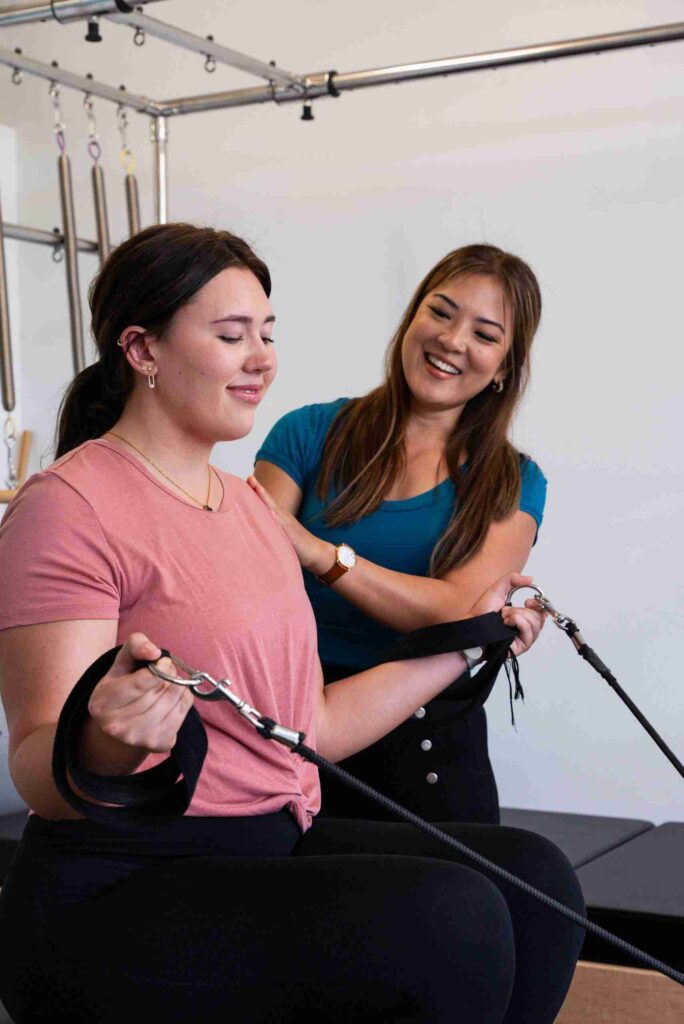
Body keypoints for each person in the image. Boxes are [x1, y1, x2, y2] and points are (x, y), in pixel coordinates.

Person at [0, 224, 583, 1024]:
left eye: (267, 334)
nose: (262, 357)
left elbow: (312, 723)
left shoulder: (247, 508)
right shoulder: (68, 507)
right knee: (446, 916)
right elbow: (36, 762)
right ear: (142, 350)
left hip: (271, 838)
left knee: (535, 882)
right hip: (123, 879)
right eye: (232, 335)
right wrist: (108, 743)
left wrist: (475, 640)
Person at [253, 244, 544, 824]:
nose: (453, 340)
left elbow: (460, 611)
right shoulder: (306, 432)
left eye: (485, 335)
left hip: (428, 756)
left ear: (505, 367)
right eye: (440, 312)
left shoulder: (514, 481)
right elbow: (250, 563)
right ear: (412, 317)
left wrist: (317, 553)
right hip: (290, 735)